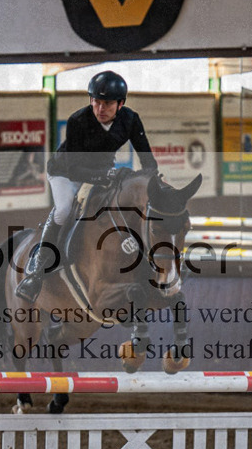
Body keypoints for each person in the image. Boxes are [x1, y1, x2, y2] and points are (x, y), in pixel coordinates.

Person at [15, 70, 158, 302]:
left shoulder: (130, 119)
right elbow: (74, 170)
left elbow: (148, 161)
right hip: (66, 172)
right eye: (96, 102)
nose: (100, 108)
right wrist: (108, 175)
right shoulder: (78, 121)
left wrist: (152, 183)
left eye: (107, 104)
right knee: (64, 209)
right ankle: (36, 272)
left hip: (102, 170)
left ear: (120, 104)